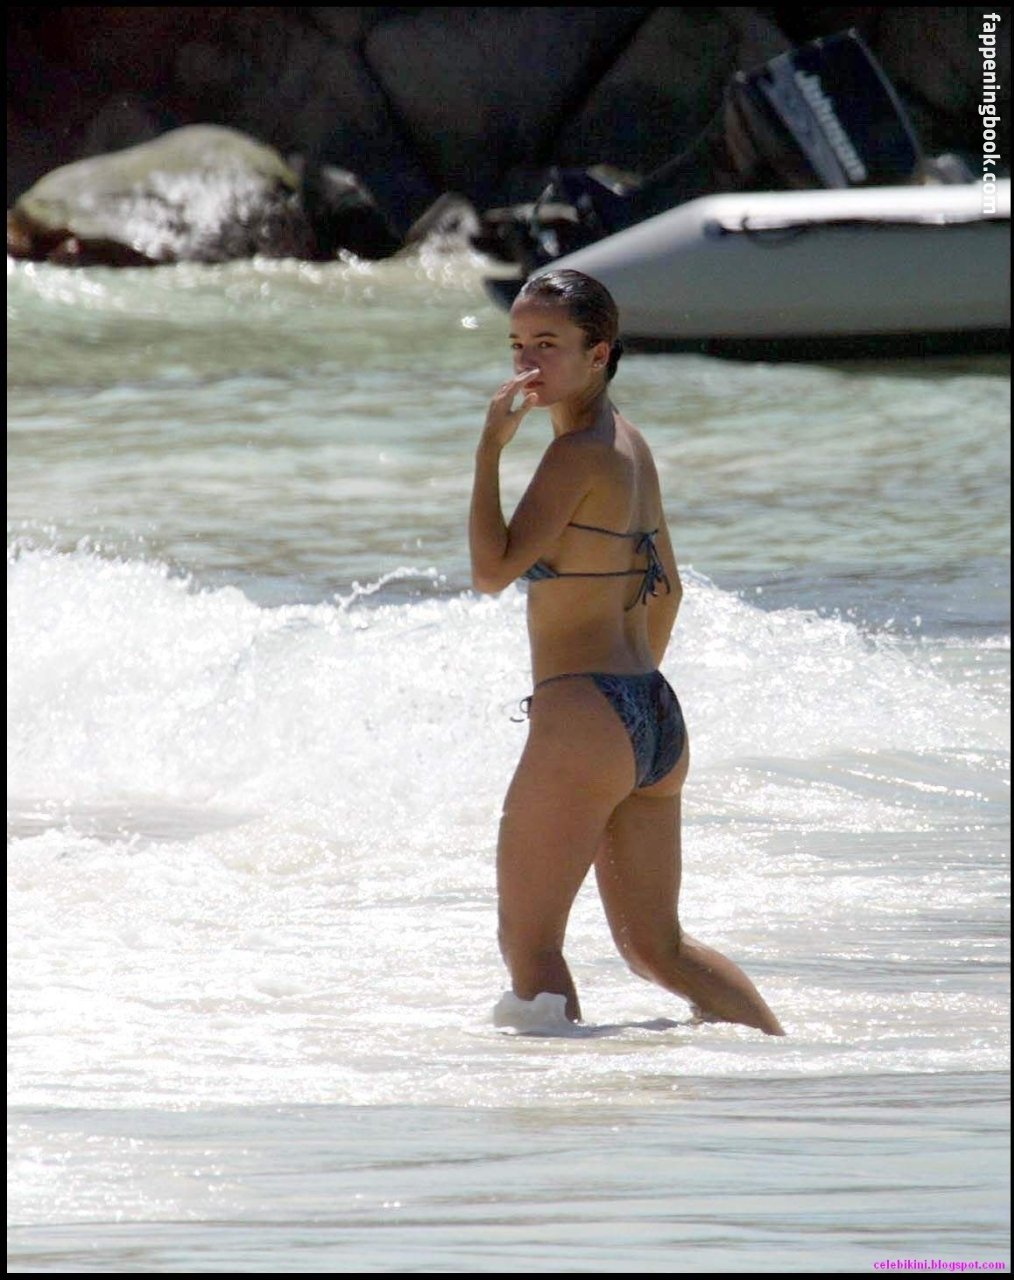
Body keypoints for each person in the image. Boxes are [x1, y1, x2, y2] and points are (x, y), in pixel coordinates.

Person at [469, 268, 784, 1036]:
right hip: (652, 713)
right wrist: (629, 702)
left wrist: (488, 450)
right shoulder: (631, 445)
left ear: (599, 353)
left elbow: (490, 572)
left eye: (548, 344)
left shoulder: (575, 454)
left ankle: (562, 1111)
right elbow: (668, 589)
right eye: (517, 344)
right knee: (657, 948)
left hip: (587, 713)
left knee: (529, 942)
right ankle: (784, 1069)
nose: (527, 363)